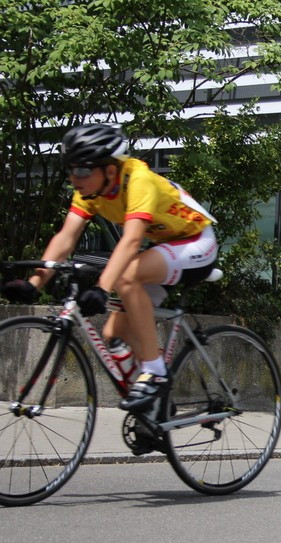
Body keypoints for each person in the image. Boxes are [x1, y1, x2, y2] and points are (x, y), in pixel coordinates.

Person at [0, 123, 218, 412]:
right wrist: (34, 283)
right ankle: (156, 408)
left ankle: (155, 374)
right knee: (113, 335)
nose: (73, 177)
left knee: (127, 277)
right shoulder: (91, 189)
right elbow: (66, 237)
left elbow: (131, 240)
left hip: (196, 242)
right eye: (70, 169)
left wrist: (102, 289)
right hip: (165, 247)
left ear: (110, 169)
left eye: (81, 170)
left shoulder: (139, 179)